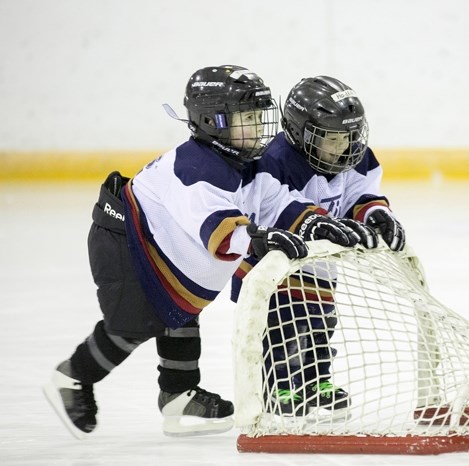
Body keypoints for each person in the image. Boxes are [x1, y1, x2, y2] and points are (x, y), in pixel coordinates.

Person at [43, 65, 360, 439]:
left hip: (158, 242)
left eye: (259, 117)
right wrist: (256, 239)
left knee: (180, 313)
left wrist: (311, 221)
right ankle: (72, 377)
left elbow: (276, 201)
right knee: (133, 325)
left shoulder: (245, 162)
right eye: (246, 118)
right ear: (213, 121)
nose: (257, 128)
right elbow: (219, 229)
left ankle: (177, 396)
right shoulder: (197, 166)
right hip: (126, 242)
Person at [230, 75, 406, 416]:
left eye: (348, 137)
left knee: (320, 322)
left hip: (318, 265)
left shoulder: (358, 157)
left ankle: (315, 381)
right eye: (331, 139)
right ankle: (277, 385)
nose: (342, 147)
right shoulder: (273, 159)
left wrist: (376, 213)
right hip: (270, 264)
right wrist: (311, 221)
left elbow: (360, 194)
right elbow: (271, 206)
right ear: (300, 133)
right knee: (280, 326)